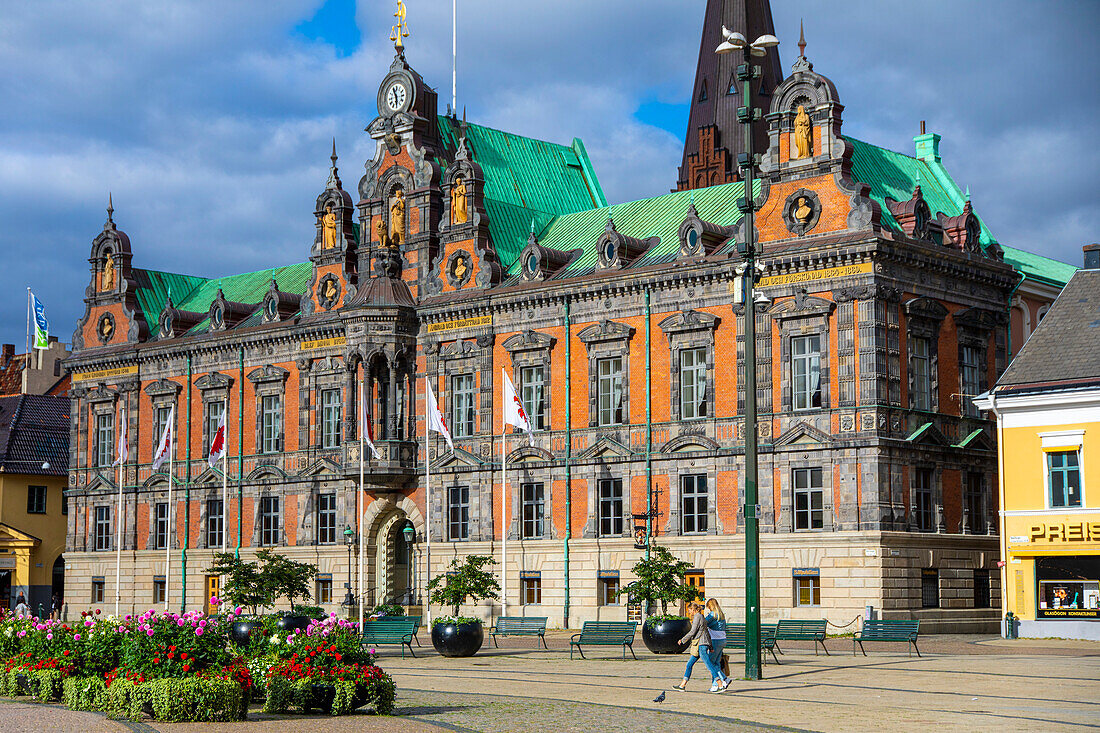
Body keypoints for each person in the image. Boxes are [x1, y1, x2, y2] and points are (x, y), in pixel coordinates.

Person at [677, 601, 733, 692]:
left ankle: (719, 684)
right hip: (721, 639)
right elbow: (707, 629)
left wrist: (683, 640)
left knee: (710, 663)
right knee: (712, 663)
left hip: (708, 641)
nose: (689, 612)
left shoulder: (707, 615)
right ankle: (683, 685)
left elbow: (698, 627)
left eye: (689, 610)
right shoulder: (719, 614)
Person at [705, 598, 728, 683]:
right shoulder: (721, 614)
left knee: (710, 662)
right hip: (722, 639)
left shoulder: (712, 614)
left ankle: (724, 678)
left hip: (715, 640)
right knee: (716, 663)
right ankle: (716, 684)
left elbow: (704, 622)